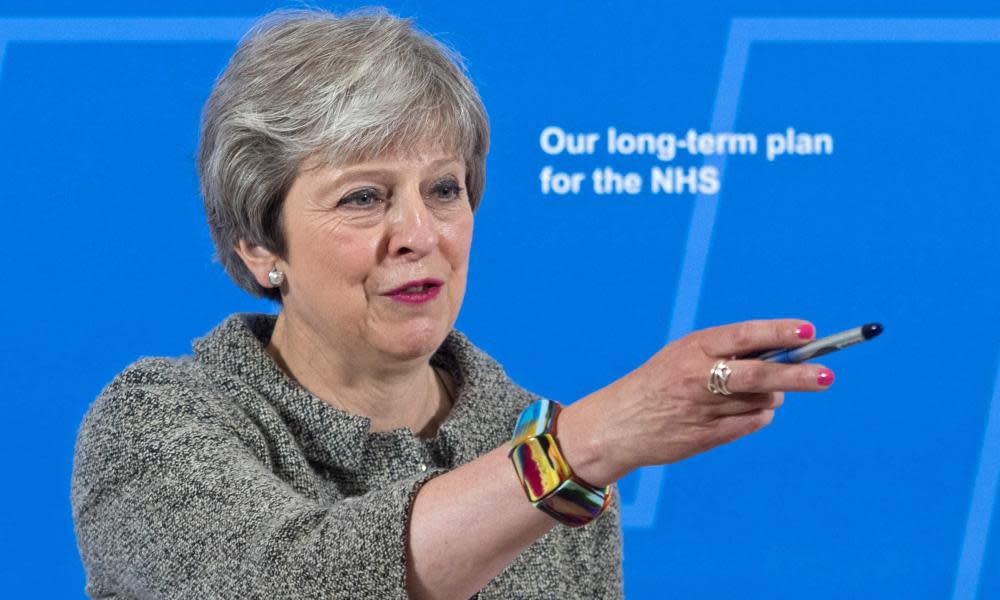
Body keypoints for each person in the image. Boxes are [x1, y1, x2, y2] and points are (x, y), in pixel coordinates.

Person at [70, 8, 836, 600]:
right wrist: (579, 451)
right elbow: (288, 577)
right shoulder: (156, 423)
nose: (420, 234)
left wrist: (575, 450)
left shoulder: (534, 431)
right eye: (364, 198)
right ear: (259, 247)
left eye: (444, 189)